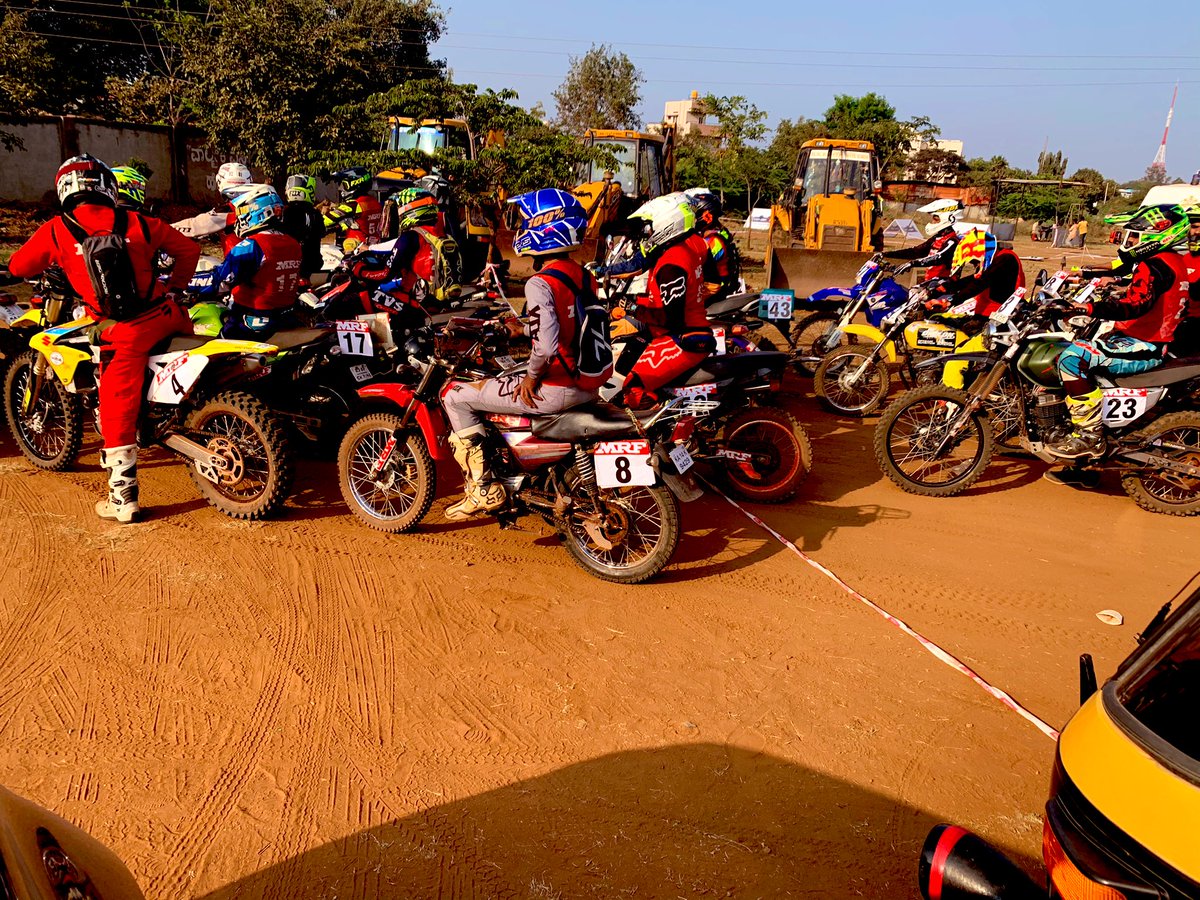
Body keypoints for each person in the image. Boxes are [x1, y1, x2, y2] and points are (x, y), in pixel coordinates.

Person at [7, 154, 200, 524]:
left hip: (122, 331)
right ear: (107, 187)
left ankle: (122, 497)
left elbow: (18, 267)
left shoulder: (56, 231)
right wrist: (174, 289)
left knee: (116, 406)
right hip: (167, 316)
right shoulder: (138, 221)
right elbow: (189, 250)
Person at [440, 188, 611, 521]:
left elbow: (546, 347)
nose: (520, 228)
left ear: (543, 227)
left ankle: (482, 489)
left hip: (555, 387)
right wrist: (521, 328)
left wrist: (532, 377)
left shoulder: (539, 282)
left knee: (456, 395)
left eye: (525, 221)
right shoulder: (583, 276)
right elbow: (568, 323)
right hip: (585, 383)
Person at [1049, 204, 1198, 462]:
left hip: (1143, 345)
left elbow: (1136, 305)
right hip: (1141, 340)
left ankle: (1090, 436)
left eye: (1136, 236)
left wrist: (1090, 307)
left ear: (1159, 236)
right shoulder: (1171, 261)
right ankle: (1080, 460)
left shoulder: (1155, 265)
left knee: (1071, 358)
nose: (1130, 242)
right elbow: (1142, 291)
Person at [619, 194, 715, 408]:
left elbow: (670, 318)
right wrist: (636, 301)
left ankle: (655, 438)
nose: (648, 233)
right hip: (681, 333)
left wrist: (633, 308)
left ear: (667, 223)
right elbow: (662, 299)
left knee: (632, 386)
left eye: (650, 227)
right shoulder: (683, 250)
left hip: (684, 337)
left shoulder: (672, 263)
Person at [189, 185, 304, 339]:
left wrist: (181, 281)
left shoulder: (252, 245)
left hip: (250, 321)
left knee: (217, 354)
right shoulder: (293, 243)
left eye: (242, 212)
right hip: (286, 317)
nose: (240, 218)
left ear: (258, 211)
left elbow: (218, 281)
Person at [372, 187, 460, 312]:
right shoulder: (439, 235)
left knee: (374, 296)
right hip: (439, 299)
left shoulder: (411, 237)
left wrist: (360, 272)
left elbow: (387, 272)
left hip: (416, 302)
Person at [925, 228, 1026, 317]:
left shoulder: (1005, 259)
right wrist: (948, 286)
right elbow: (975, 278)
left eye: (974, 261)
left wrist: (950, 301)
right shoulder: (990, 259)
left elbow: (981, 283)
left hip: (1000, 313)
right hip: (985, 309)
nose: (975, 265)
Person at [684, 187, 742, 302]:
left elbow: (695, 262)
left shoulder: (713, 241)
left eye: (695, 214)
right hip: (711, 287)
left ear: (706, 216)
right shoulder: (712, 236)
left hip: (714, 290)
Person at [324, 166, 384, 254]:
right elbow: (357, 223)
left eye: (343, 185)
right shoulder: (375, 203)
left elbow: (325, 221)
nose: (340, 189)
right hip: (374, 248)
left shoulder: (353, 205)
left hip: (356, 250)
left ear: (354, 184)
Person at [281, 173, 325, 279]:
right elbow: (322, 232)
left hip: (288, 267)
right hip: (311, 267)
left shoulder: (283, 212)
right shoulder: (314, 213)